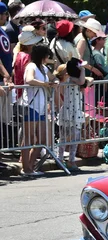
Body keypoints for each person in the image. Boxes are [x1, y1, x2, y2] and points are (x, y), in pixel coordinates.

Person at [20, 44, 56, 176]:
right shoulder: (32, 66)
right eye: (47, 56)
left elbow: (53, 77)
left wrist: (55, 81)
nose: (48, 58)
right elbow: (29, 79)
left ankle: (30, 165)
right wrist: (45, 84)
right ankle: (26, 168)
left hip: (41, 105)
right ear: (43, 56)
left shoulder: (44, 68)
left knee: (42, 139)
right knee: (28, 137)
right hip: (30, 104)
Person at [55, 60, 89, 172]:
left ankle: (71, 159)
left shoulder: (76, 80)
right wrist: (82, 70)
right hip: (68, 110)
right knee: (64, 136)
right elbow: (81, 81)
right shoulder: (70, 79)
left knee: (76, 136)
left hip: (76, 111)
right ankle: (59, 158)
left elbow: (85, 81)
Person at [0, 3, 14, 84]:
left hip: (6, 80)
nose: (6, 16)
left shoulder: (2, 31)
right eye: (5, 14)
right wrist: (6, 75)